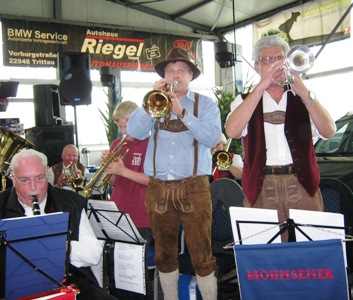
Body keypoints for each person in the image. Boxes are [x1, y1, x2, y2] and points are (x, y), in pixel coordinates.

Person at [127, 47, 222, 299]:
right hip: (158, 188)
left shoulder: (207, 104)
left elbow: (212, 137)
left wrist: (181, 111)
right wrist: (151, 99)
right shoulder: (153, 101)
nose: (176, 75)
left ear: (190, 75)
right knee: (164, 254)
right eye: (171, 70)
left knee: (202, 253)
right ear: (164, 76)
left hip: (194, 187)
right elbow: (135, 132)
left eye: (181, 70)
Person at [225, 35, 336, 242]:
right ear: (257, 66)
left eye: (279, 58)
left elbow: (329, 131)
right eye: (267, 60)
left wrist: (303, 91)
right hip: (260, 187)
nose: (274, 64)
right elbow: (232, 131)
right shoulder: (243, 100)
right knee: (265, 256)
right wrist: (261, 87)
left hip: (302, 184)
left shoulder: (303, 98)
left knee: (310, 251)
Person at [0, 149, 116, 300]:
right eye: (24, 180)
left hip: (67, 281)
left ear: (48, 173)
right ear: (13, 179)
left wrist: (62, 247)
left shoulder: (70, 202)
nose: (34, 187)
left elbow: (93, 254)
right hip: (14, 285)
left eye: (40, 178)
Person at [101, 100, 152, 299]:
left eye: (126, 126)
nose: (123, 131)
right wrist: (109, 168)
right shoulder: (117, 144)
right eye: (119, 126)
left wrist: (123, 170)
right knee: (117, 269)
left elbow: (154, 181)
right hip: (118, 211)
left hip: (140, 215)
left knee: (135, 272)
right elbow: (114, 181)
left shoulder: (151, 144)